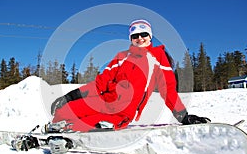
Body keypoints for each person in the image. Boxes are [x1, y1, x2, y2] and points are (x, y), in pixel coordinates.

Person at [50, 19, 210, 132]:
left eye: (144, 34)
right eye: (135, 36)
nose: (140, 38)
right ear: (131, 39)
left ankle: (83, 129)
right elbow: (101, 83)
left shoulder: (158, 57)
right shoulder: (121, 56)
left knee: (93, 122)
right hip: (104, 100)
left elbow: (167, 89)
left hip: (123, 109)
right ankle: (57, 128)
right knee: (63, 112)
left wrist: (183, 117)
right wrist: (70, 97)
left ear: (150, 36)